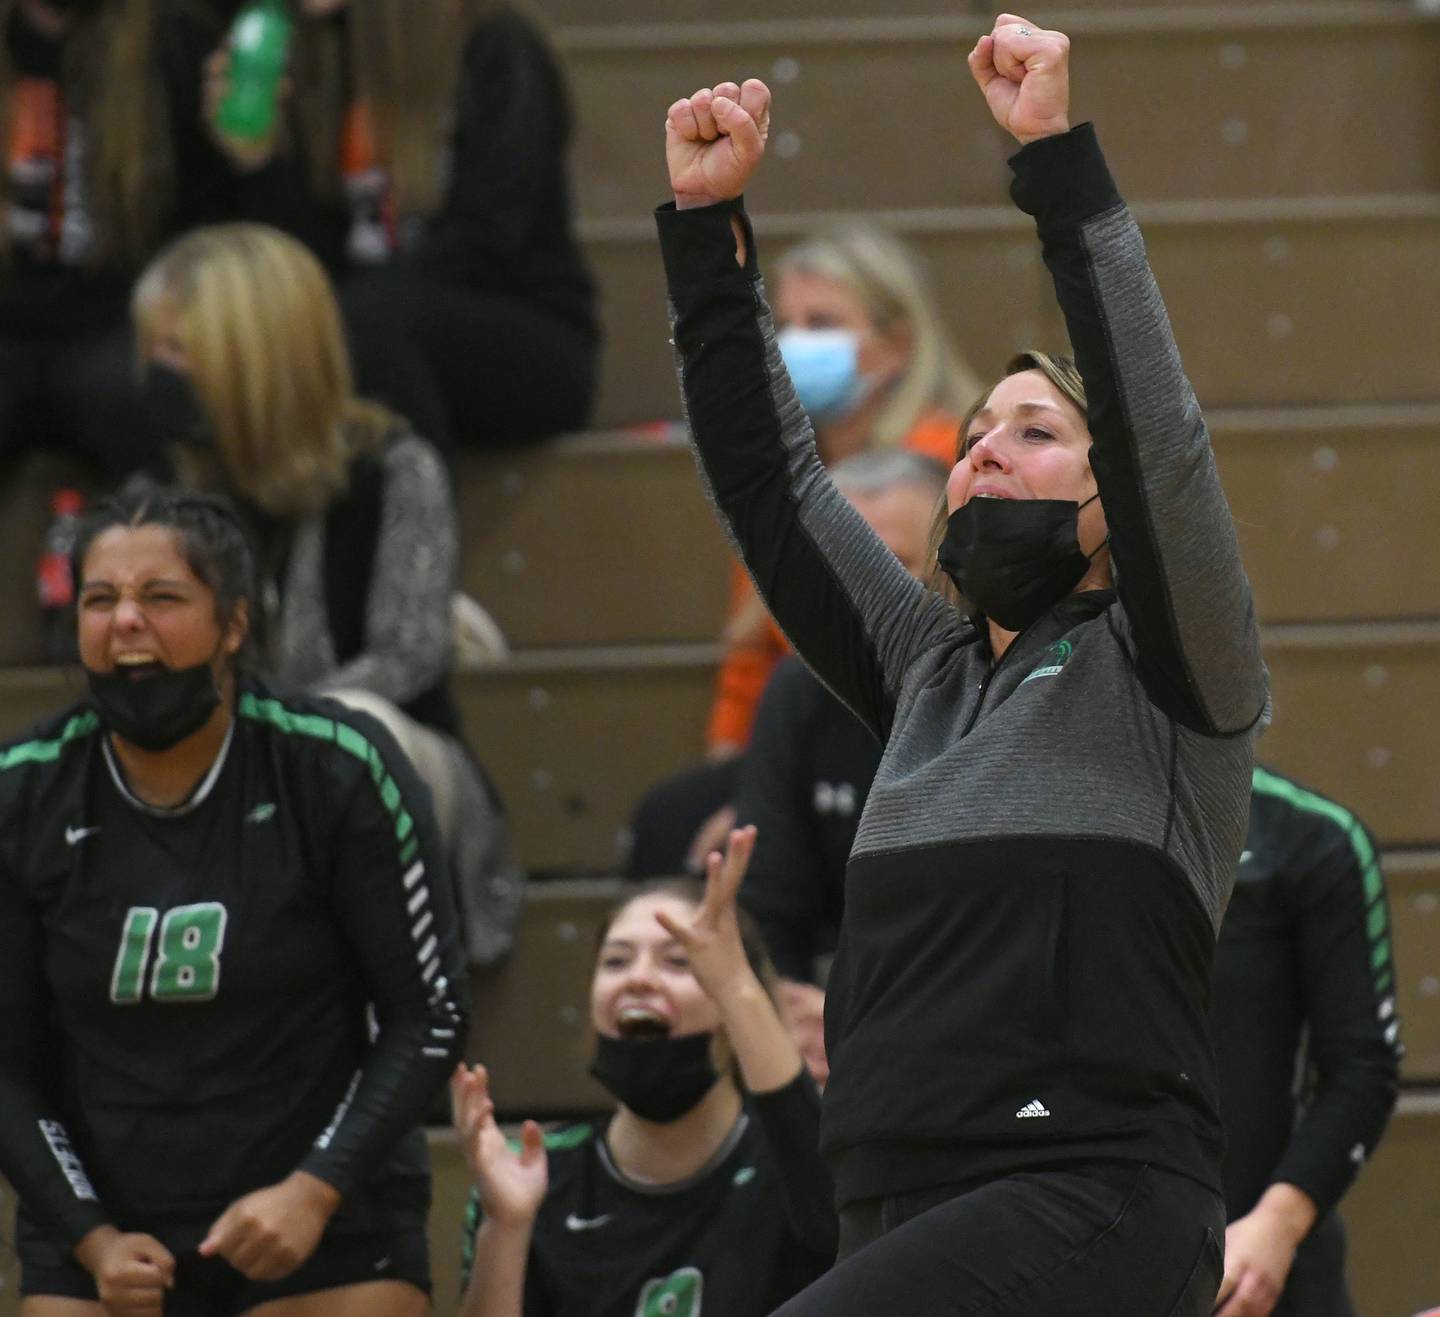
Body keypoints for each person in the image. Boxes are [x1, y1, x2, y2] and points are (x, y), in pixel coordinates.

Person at [657, 11, 1268, 1313]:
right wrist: (708, 238)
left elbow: (1159, 435)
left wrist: (1056, 162)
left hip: (1090, 1192)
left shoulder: (1179, 671)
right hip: (893, 1202)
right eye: (976, 429)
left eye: (1037, 429)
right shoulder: (928, 670)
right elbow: (769, 480)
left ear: (1113, 502)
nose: (985, 446)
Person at [0, 487, 469, 1315]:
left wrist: (317, 1187)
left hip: (320, 1222)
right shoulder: (23, 791)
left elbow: (427, 1012)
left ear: (235, 625)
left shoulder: (336, 768)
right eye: (100, 599)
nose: (126, 623)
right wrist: (91, 1238)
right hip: (108, 1230)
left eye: (163, 597)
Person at [132, 221, 521, 967]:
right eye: (155, 348)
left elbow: (407, 657)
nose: (158, 372)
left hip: (393, 759)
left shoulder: (392, 467)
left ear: (255, 358)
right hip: (219, 772)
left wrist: (259, 732)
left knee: (353, 725)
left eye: (179, 350)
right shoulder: (163, 496)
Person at [451, 825, 836, 1317]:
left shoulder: (790, 1162)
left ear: (730, 1005)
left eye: (678, 962)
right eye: (616, 961)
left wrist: (738, 987)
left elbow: (837, 1224)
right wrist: (506, 1228)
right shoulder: (535, 1175)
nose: (638, 979)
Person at [202, 0, 599, 456]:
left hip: (519, 327)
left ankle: (414, 523)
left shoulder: (495, 44)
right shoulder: (306, 55)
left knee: (362, 329)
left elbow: (488, 243)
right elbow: (308, 262)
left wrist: (331, 318)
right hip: (368, 330)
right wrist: (260, 162)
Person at [707, 222, 981, 758]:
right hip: (801, 748)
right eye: (784, 325)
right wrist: (732, 775)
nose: (795, 344)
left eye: (822, 323)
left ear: (895, 344)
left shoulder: (962, 462)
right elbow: (749, 654)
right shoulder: (784, 473)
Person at [0, 0, 294, 481]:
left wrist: (252, 160)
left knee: (149, 400)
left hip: (126, 327)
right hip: (9, 328)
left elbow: (236, 236)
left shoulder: (175, 42)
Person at [1212, 764, 1402, 1317]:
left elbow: (1364, 1068)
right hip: (1090, 1247)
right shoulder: (1037, 821)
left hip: (1259, 1258)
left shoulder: (1311, 836)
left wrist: (1277, 1225)